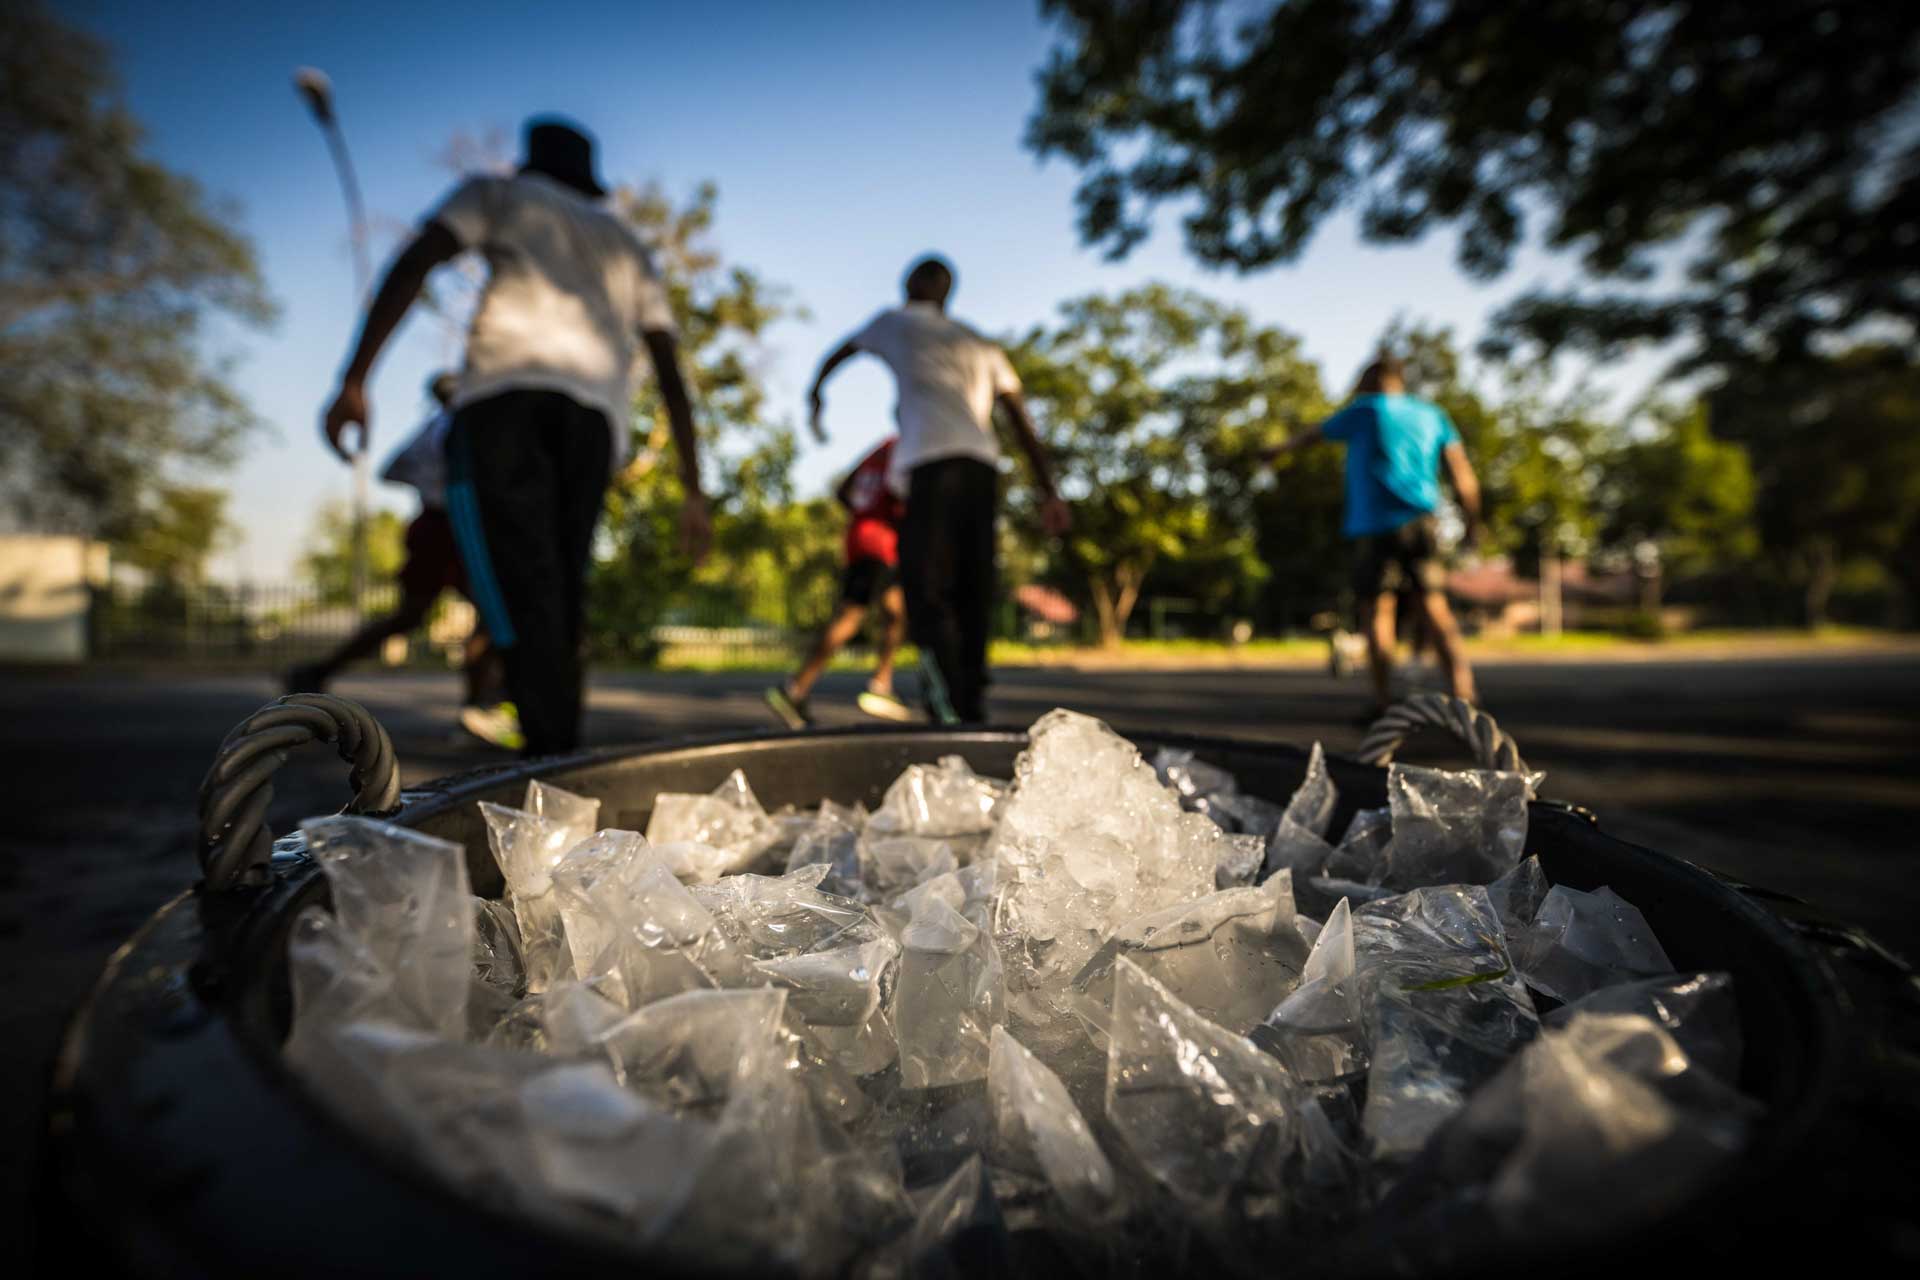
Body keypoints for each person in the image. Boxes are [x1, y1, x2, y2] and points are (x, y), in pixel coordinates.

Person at [320, 117, 710, 756]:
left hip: (504, 403)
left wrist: (356, 378)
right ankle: (555, 749)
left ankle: (550, 751)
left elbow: (417, 261)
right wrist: (693, 487)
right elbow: (669, 365)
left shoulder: (498, 194)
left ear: (531, 166)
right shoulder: (625, 244)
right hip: (594, 420)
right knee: (558, 589)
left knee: (510, 590)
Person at [808, 256, 1069, 725]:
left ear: (915, 284)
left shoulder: (896, 321)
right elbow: (1018, 415)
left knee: (927, 589)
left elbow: (839, 353)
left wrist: (816, 392)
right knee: (973, 586)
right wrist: (1049, 490)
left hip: (931, 468)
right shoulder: (979, 343)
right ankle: (970, 696)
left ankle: (947, 701)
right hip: (981, 469)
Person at [289, 372, 522, 748]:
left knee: (420, 614)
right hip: (456, 525)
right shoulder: (456, 427)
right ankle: (480, 706)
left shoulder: (434, 429)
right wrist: (444, 485)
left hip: (435, 526)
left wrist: (427, 482)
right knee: (491, 612)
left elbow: (391, 470)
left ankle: (320, 670)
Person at [1266, 353, 1484, 717]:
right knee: (1434, 606)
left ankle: (1383, 702)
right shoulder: (1431, 414)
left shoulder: (1365, 409)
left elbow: (1312, 435)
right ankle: (1465, 694)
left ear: (1371, 379)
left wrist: (1277, 451)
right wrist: (1472, 526)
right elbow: (1463, 478)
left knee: (1377, 609)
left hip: (1376, 526)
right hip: (1422, 524)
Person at [764, 437, 914, 728]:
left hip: (860, 537)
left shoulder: (878, 450)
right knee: (850, 616)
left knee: (895, 612)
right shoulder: (908, 446)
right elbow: (904, 493)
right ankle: (795, 688)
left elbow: (843, 490)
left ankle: (881, 684)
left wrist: (864, 512)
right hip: (879, 543)